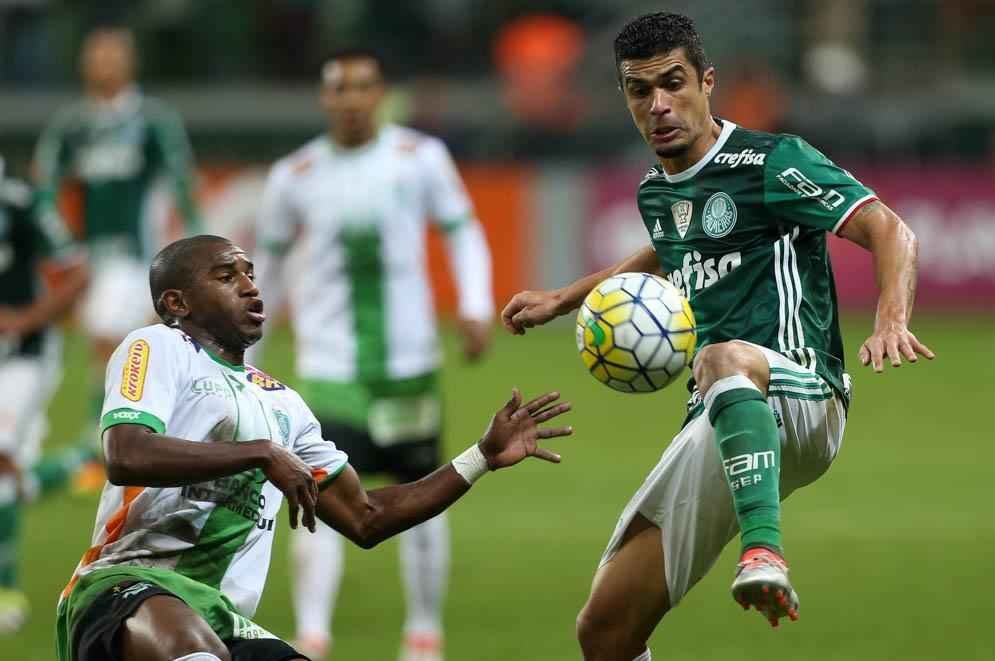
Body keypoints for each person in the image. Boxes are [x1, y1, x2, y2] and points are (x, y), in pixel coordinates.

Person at [501, 12, 934, 661]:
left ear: (707, 81)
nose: (659, 104)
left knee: (722, 356)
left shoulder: (771, 160)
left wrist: (892, 317)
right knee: (606, 628)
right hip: (723, 413)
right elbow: (670, 246)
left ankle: (764, 547)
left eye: (673, 83)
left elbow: (890, 228)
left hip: (803, 395)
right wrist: (566, 297)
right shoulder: (658, 191)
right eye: (639, 90)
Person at [55, 234, 569, 661]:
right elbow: (126, 454)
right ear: (176, 303)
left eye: (251, 273)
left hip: (221, 616)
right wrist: (259, 453)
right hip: (125, 587)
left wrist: (479, 457)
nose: (251, 287)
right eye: (226, 276)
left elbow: (365, 517)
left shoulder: (285, 406)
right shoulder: (158, 347)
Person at [253, 48, 494, 660]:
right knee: (317, 494)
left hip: (407, 369)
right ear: (324, 97)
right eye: (341, 88)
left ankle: (423, 633)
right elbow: (269, 269)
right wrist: (247, 347)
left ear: (380, 93)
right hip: (330, 370)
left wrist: (475, 302)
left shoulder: (420, 158)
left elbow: (462, 229)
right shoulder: (295, 174)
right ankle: (312, 635)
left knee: (423, 491)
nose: (353, 99)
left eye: (364, 87)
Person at [33, 26, 202, 483]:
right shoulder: (72, 125)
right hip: (93, 260)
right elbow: (44, 188)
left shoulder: (152, 119)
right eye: (96, 55)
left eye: (113, 54)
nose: (104, 63)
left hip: (140, 256)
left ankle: (102, 445)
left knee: (119, 343)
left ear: (130, 62)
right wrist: (63, 250)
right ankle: (117, 442)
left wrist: (197, 250)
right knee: (113, 351)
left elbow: (183, 184)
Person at [0, 156, 89, 633]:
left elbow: (77, 271)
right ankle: (76, 466)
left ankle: (5, 591)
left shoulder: (22, 204)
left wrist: (27, 319)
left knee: (0, 459)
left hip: (23, 355)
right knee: (11, 478)